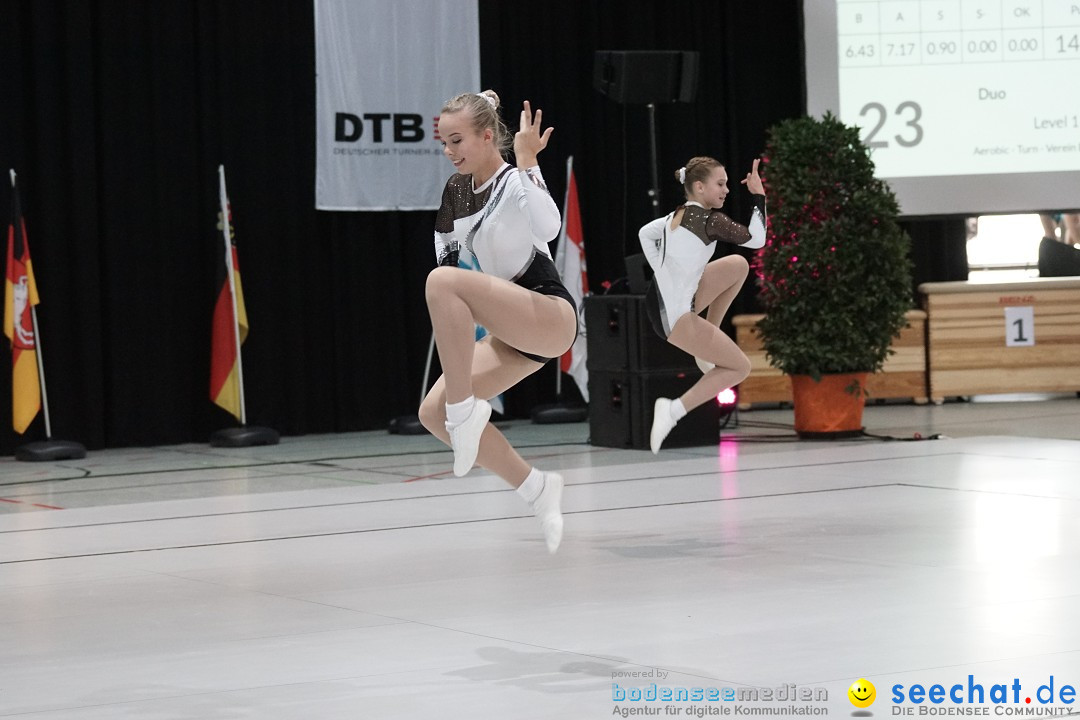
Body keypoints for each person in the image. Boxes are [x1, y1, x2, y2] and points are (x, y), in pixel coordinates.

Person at [418, 90, 576, 553]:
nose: (449, 152)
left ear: (488, 137)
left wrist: (528, 161)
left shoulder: (513, 180)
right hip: (510, 328)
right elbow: (447, 254)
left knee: (441, 283)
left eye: (457, 140)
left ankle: (466, 413)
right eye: (444, 143)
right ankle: (536, 487)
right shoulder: (456, 191)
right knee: (433, 413)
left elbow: (549, 229)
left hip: (548, 312)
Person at [638, 156, 766, 453]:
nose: (726, 190)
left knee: (737, 265)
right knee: (739, 367)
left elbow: (646, 233)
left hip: (664, 302)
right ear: (699, 186)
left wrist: (659, 270)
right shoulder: (710, 220)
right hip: (674, 317)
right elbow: (757, 239)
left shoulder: (679, 214)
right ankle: (673, 410)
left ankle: (708, 332)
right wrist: (759, 195)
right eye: (720, 184)